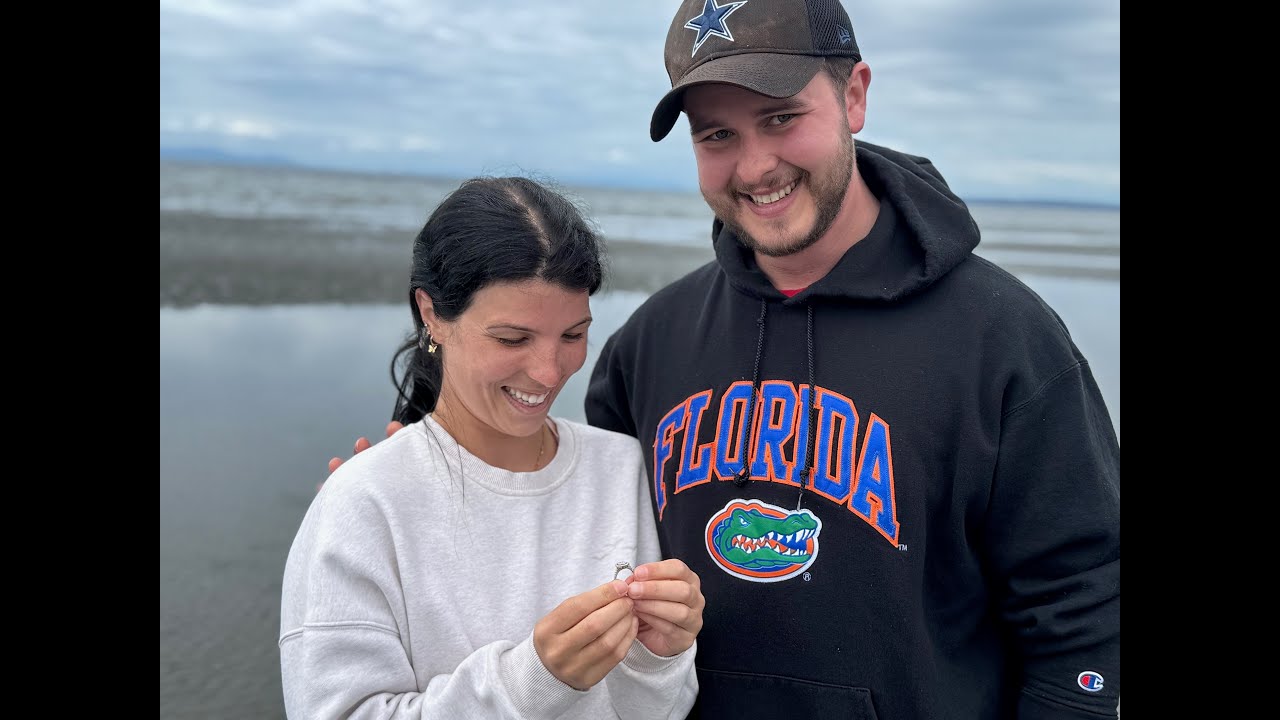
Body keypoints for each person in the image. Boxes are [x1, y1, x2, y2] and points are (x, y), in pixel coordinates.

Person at [336, 2, 1121, 717]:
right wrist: (432, 485)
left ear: (853, 95)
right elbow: (575, 528)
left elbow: (1085, 610)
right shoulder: (655, 338)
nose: (753, 167)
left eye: (782, 118)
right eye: (717, 135)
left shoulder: (1004, 339)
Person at [283, 176, 704, 719]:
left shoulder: (626, 470)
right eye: (512, 339)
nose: (550, 372)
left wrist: (661, 657)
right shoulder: (364, 501)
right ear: (432, 314)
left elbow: (659, 713)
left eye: (574, 335)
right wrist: (531, 681)